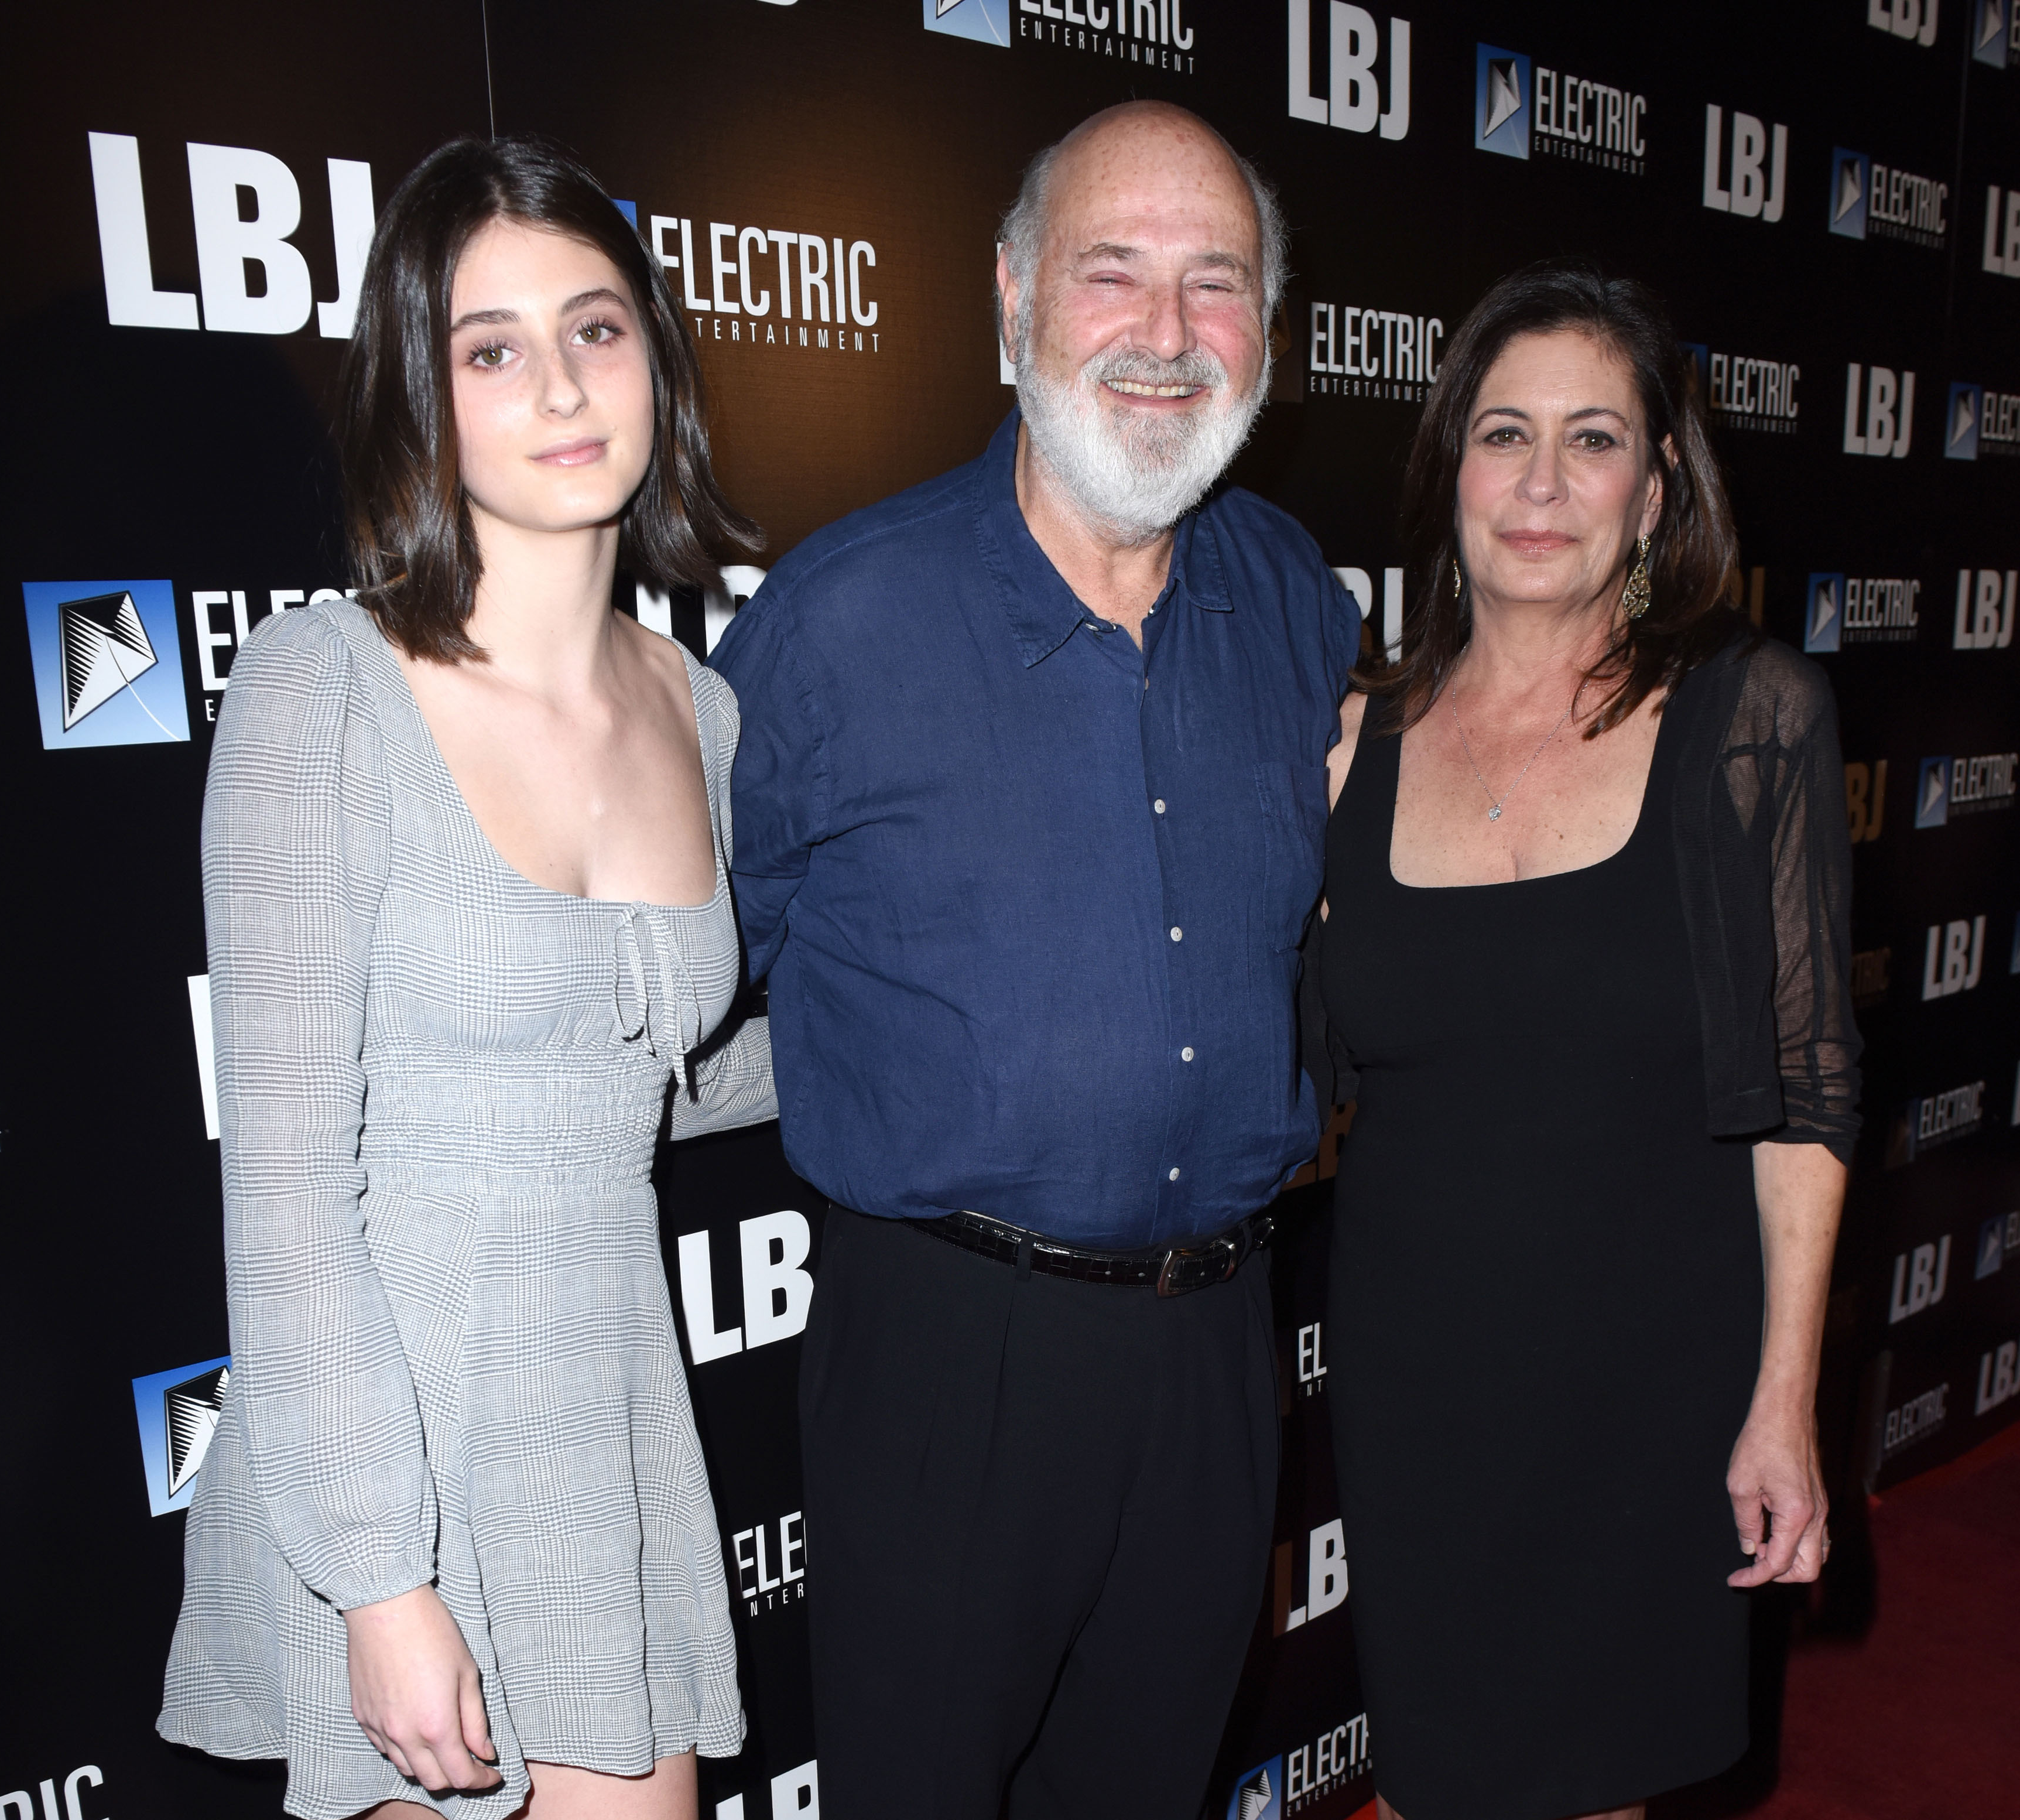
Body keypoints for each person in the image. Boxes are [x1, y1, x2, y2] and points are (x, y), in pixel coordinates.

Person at [710, 101, 1358, 1819]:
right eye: (1111, 273)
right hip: (946, 1361)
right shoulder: (838, 624)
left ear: (1268, 337)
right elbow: (692, 983)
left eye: (1214, 285)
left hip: (1219, 1350)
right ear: (1009, 301)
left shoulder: (1295, 600)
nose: (1163, 336)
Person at [156, 136, 773, 1820]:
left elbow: (664, 1059)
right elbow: (284, 1191)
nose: (560, 385)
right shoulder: (321, 692)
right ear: (421, 395)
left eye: (596, 328)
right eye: (490, 348)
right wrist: (377, 1574)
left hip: (607, 1417)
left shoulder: (698, 713)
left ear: (655, 355)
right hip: (392, 1426)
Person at [1316, 259, 1860, 1820]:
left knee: (1595, 1787)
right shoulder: (1357, 739)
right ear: (1449, 472)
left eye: (1591, 438)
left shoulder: (1745, 719)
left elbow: (1805, 1096)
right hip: (1420, 1376)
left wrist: (1781, 1398)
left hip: (1646, 1377)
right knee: (1430, 1779)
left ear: (1656, 484)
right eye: (1502, 434)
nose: (1541, 482)